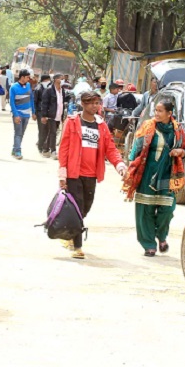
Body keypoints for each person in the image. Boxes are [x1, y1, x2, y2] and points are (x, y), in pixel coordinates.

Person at [58, 91, 127, 259]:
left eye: (97, 103)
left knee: (85, 208)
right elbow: (64, 148)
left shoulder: (101, 125)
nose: (95, 106)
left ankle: (69, 233)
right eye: (91, 103)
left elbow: (110, 148)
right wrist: (62, 174)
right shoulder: (72, 122)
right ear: (83, 104)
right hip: (74, 173)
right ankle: (77, 246)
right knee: (77, 208)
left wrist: (119, 165)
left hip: (92, 174)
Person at [124, 100, 185, 257]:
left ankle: (161, 235)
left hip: (168, 172)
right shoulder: (147, 126)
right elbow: (136, 149)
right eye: (155, 110)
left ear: (169, 113)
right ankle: (149, 244)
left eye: (160, 111)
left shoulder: (178, 130)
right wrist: (131, 168)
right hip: (147, 172)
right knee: (145, 209)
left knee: (168, 209)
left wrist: (180, 152)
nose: (156, 113)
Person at [41, 73, 69, 159]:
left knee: (52, 133)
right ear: (56, 79)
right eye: (61, 78)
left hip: (58, 115)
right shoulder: (49, 90)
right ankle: (53, 151)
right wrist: (44, 115)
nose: (62, 80)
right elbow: (44, 104)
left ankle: (45, 150)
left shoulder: (62, 90)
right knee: (53, 132)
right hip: (51, 115)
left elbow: (62, 103)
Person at [9, 69, 33, 160]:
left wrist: (33, 112)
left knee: (21, 133)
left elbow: (31, 98)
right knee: (18, 133)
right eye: (27, 77)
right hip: (18, 114)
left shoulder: (28, 85)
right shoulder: (13, 87)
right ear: (22, 77)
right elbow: (12, 102)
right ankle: (18, 151)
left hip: (27, 114)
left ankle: (15, 149)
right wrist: (16, 115)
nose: (28, 79)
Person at [34, 74, 51, 155]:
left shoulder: (50, 88)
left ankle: (45, 146)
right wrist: (34, 113)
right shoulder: (38, 88)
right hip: (40, 111)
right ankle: (41, 146)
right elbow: (35, 101)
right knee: (42, 129)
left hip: (48, 111)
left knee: (47, 130)